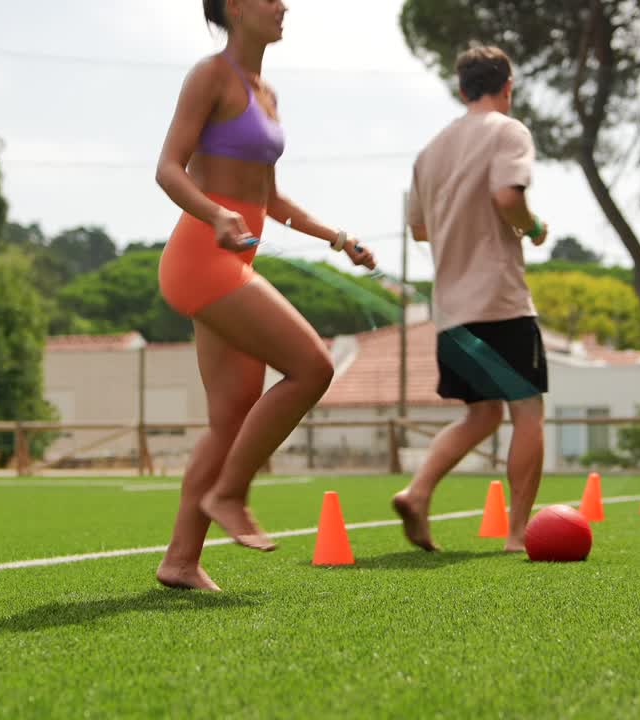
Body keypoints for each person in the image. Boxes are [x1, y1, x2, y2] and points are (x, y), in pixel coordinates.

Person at [153, 0, 376, 590]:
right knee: (312, 366)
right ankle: (230, 493)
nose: (283, 4)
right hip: (203, 257)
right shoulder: (210, 75)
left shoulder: (265, 93)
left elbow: (271, 199)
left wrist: (338, 238)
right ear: (232, 7)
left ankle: (179, 561)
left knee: (229, 419)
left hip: (231, 259)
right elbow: (168, 169)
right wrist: (216, 214)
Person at [392, 45, 549, 554]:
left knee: (481, 415)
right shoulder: (509, 130)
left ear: (462, 90)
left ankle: (417, 492)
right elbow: (508, 197)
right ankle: (516, 534)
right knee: (527, 411)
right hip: (500, 301)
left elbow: (418, 228)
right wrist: (535, 226)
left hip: (451, 311)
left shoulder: (430, 151)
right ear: (508, 87)